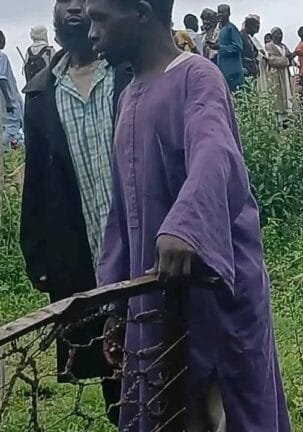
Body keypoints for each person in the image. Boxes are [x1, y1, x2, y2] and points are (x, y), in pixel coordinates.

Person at [85, 0, 291, 429]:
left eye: (100, 19)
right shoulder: (127, 97)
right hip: (153, 296)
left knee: (221, 413)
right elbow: (122, 214)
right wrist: (115, 302)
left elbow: (216, 151)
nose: (91, 34)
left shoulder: (198, 77)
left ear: (141, 12)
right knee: (165, 408)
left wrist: (185, 226)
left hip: (214, 294)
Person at [20, 0, 133, 424]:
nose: (73, 7)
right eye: (64, 1)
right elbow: (37, 177)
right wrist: (36, 252)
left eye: (82, 1)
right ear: (55, 19)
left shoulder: (125, 72)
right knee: (108, 358)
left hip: (139, 240)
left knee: (163, 344)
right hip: (82, 247)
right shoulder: (41, 93)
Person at [212, 4, 243, 92]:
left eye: (223, 12)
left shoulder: (231, 28)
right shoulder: (220, 30)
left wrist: (220, 47)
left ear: (229, 13)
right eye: (219, 12)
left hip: (232, 72)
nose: (220, 15)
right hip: (222, 71)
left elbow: (238, 47)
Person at [0, 31, 23, 148]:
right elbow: (2, 79)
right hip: (7, 101)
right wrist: (9, 101)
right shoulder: (2, 57)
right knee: (11, 129)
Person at [266, 27, 294, 120]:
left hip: (285, 73)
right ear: (272, 35)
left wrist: (292, 58)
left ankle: (287, 118)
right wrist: (285, 60)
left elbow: (290, 56)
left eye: (281, 34)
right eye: (277, 34)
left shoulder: (283, 46)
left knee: (288, 93)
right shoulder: (269, 46)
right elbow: (271, 59)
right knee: (277, 95)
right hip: (275, 74)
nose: (279, 36)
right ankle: (279, 119)